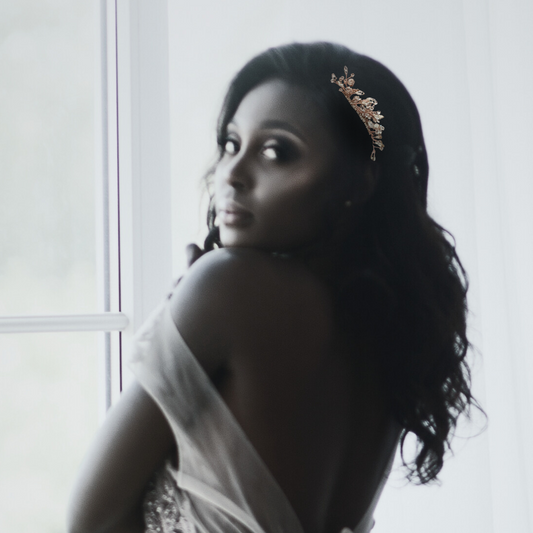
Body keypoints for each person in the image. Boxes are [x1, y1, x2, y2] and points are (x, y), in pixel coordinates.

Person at [67, 42, 481, 533]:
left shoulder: (228, 286)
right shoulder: (390, 323)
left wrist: (181, 308)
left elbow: (89, 522)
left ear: (360, 180)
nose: (231, 175)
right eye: (230, 144)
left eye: (276, 151)